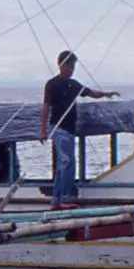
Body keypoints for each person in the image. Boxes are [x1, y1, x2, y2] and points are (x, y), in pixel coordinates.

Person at [40, 50, 119, 209]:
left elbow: (90, 93)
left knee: (66, 162)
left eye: (73, 67)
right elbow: (45, 107)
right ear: (62, 65)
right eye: (69, 66)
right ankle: (65, 198)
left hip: (70, 128)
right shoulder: (52, 84)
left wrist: (106, 94)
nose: (71, 70)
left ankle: (56, 199)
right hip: (58, 126)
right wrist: (42, 129)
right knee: (67, 162)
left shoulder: (74, 84)